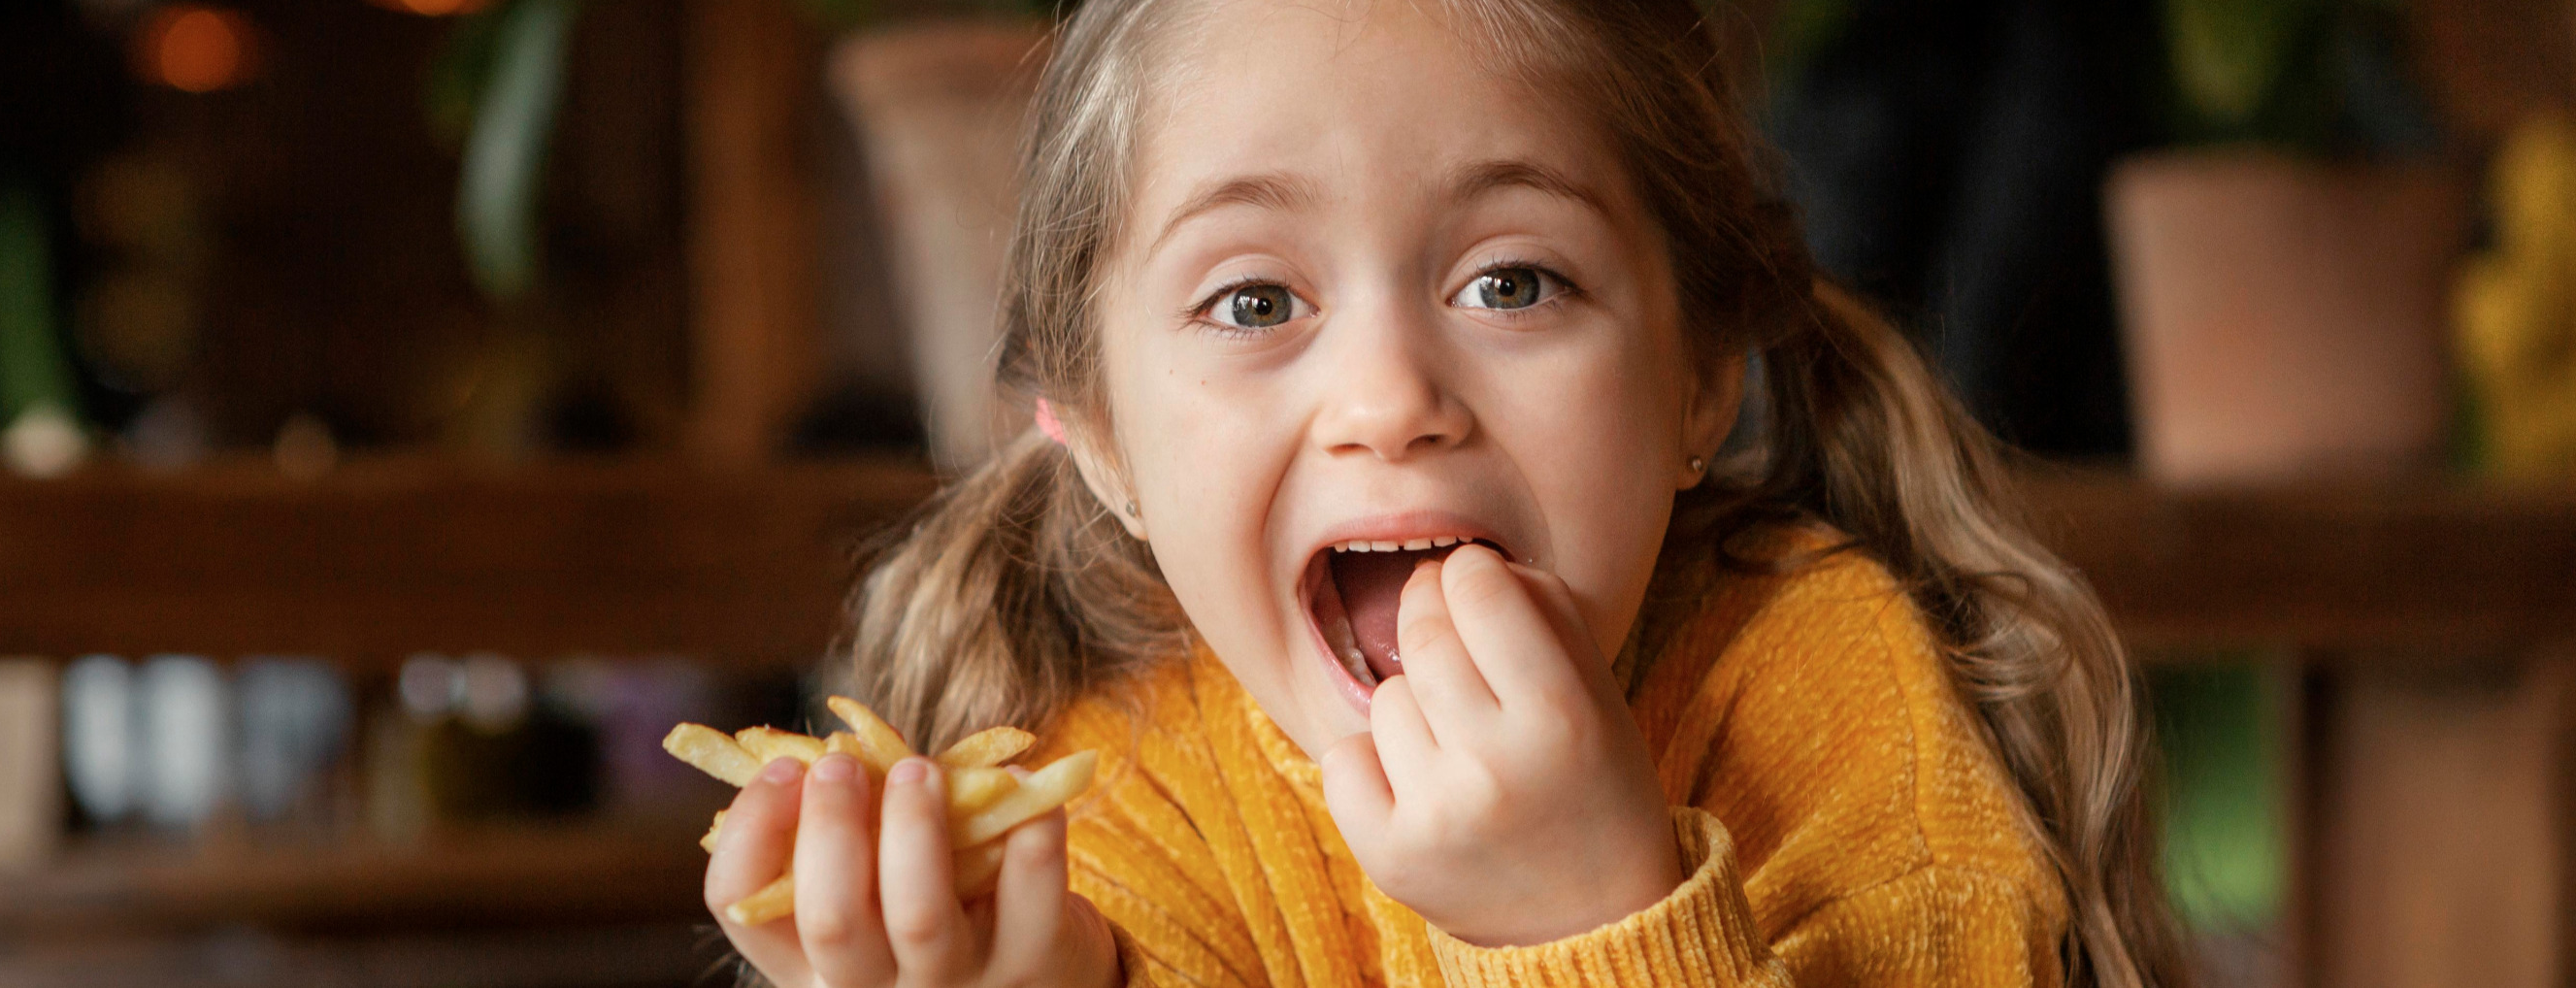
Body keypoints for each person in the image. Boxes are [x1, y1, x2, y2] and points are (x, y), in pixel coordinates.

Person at [703, 1, 2188, 985]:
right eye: (1250, 301)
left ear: (1698, 378)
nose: (1390, 400)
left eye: (1512, 279)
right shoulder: (1105, 816)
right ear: (1098, 439)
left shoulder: (1826, 699)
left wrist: (1594, 920)